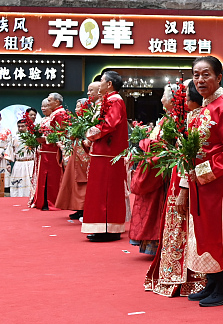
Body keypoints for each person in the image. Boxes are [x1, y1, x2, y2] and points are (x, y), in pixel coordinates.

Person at [174, 55, 223, 307]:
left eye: (206, 74)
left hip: (221, 185)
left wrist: (202, 171)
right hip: (204, 185)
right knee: (207, 232)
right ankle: (213, 282)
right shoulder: (205, 108)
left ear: (218, 77)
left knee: (221, 231)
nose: (200, 80)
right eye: (196, 75)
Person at [145, 81, 206, 298]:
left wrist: (183, 187)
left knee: (188, 223)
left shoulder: (195, 120)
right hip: (182, 177)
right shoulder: (187, 119)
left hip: (187, 178)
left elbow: (190, 157)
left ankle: (192, 276)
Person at [83, 72, 130, 241]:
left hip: (108, 153)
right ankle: (102, 226)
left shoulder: (115, 100)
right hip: (103, 152)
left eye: (101, 81)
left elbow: (109, 124)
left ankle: (109, 228)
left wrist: (90, 134)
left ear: (109, 84)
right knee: (100, 191)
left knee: (107, 191)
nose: (99, 83)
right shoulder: (108, 100)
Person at [128, 86, 175, 255]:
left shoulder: (174, 119)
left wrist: (146, 144)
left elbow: (167, 145)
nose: (161, 99)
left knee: (159, 205)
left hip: (163, 167)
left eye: (164, 95)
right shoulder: (166, 118)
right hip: (157, 163)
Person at [56, 83, 100, 221]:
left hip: (85, 153)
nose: (76, 109)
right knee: (74, 182)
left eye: (79, 106)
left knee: (83, 182)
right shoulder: (76, 121)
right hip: (76, 154)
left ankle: (83, 208)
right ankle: (77, 207)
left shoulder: (89, 119)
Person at [30, 93, 67, 210]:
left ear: (57, 102)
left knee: (52, 177)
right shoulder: (54, 114)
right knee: (46, 176)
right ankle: (44, 200)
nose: (48, 103)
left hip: (52, 150)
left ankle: (51, 201)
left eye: (50, 100)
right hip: (46, 150)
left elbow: (60, 134)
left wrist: (45, 139)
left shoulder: (60, 114)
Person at [8, 121, 36, 197]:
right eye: (19, 126)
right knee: (18, 183)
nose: (20, 128)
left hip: (31, 162)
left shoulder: (33, 137)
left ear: (27, 126)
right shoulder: (14, 138)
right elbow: (10, 151)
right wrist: (8, 164)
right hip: (19, 163)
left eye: (22, 126)